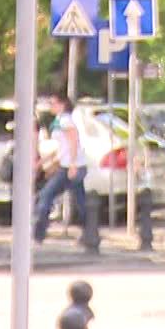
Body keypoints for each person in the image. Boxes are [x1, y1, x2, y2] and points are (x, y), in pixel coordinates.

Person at [32, 92, 98, 250]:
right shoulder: (60, 120)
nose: (51, 106)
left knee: (46, 196)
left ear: (62, 104)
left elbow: (73, 142)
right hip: (69, 166)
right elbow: (63, 148)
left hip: (70, 167)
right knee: (81, 203)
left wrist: (73, 164)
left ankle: (38, 235)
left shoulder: (65, 120)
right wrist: (43, 162)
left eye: (53, 103)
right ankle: (90, 233)